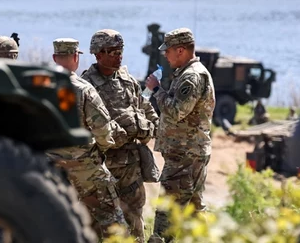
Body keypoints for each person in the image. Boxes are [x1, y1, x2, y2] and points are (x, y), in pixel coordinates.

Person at [45, 38, 130, 238]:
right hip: (86, 170)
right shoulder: (84, 89)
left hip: (51, 168)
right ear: (76, 57)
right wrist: (102, 148)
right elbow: (103, 130)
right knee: (113, 223)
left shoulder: (40, 87)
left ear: (55, 58)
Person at [81, 29, 160, 243]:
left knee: (134, 219)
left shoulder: (128, 79)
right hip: (103, 167)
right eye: (113, 51)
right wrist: (123, 130)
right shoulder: (86, 85)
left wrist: (149, 126)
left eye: (121, 50)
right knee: (99, 224)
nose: (119, 56)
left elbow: (144, 107)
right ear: (98, 54)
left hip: (131, 168)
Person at [144, 27, 215, 243]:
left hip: (184, 156)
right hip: (190, 154)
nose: (165, 55)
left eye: (168, 51)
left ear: (181, 50)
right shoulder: (188, 73)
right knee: (194, 212)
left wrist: (156, 90)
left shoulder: (191, 77)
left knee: (167, 215)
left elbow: (177, 111)